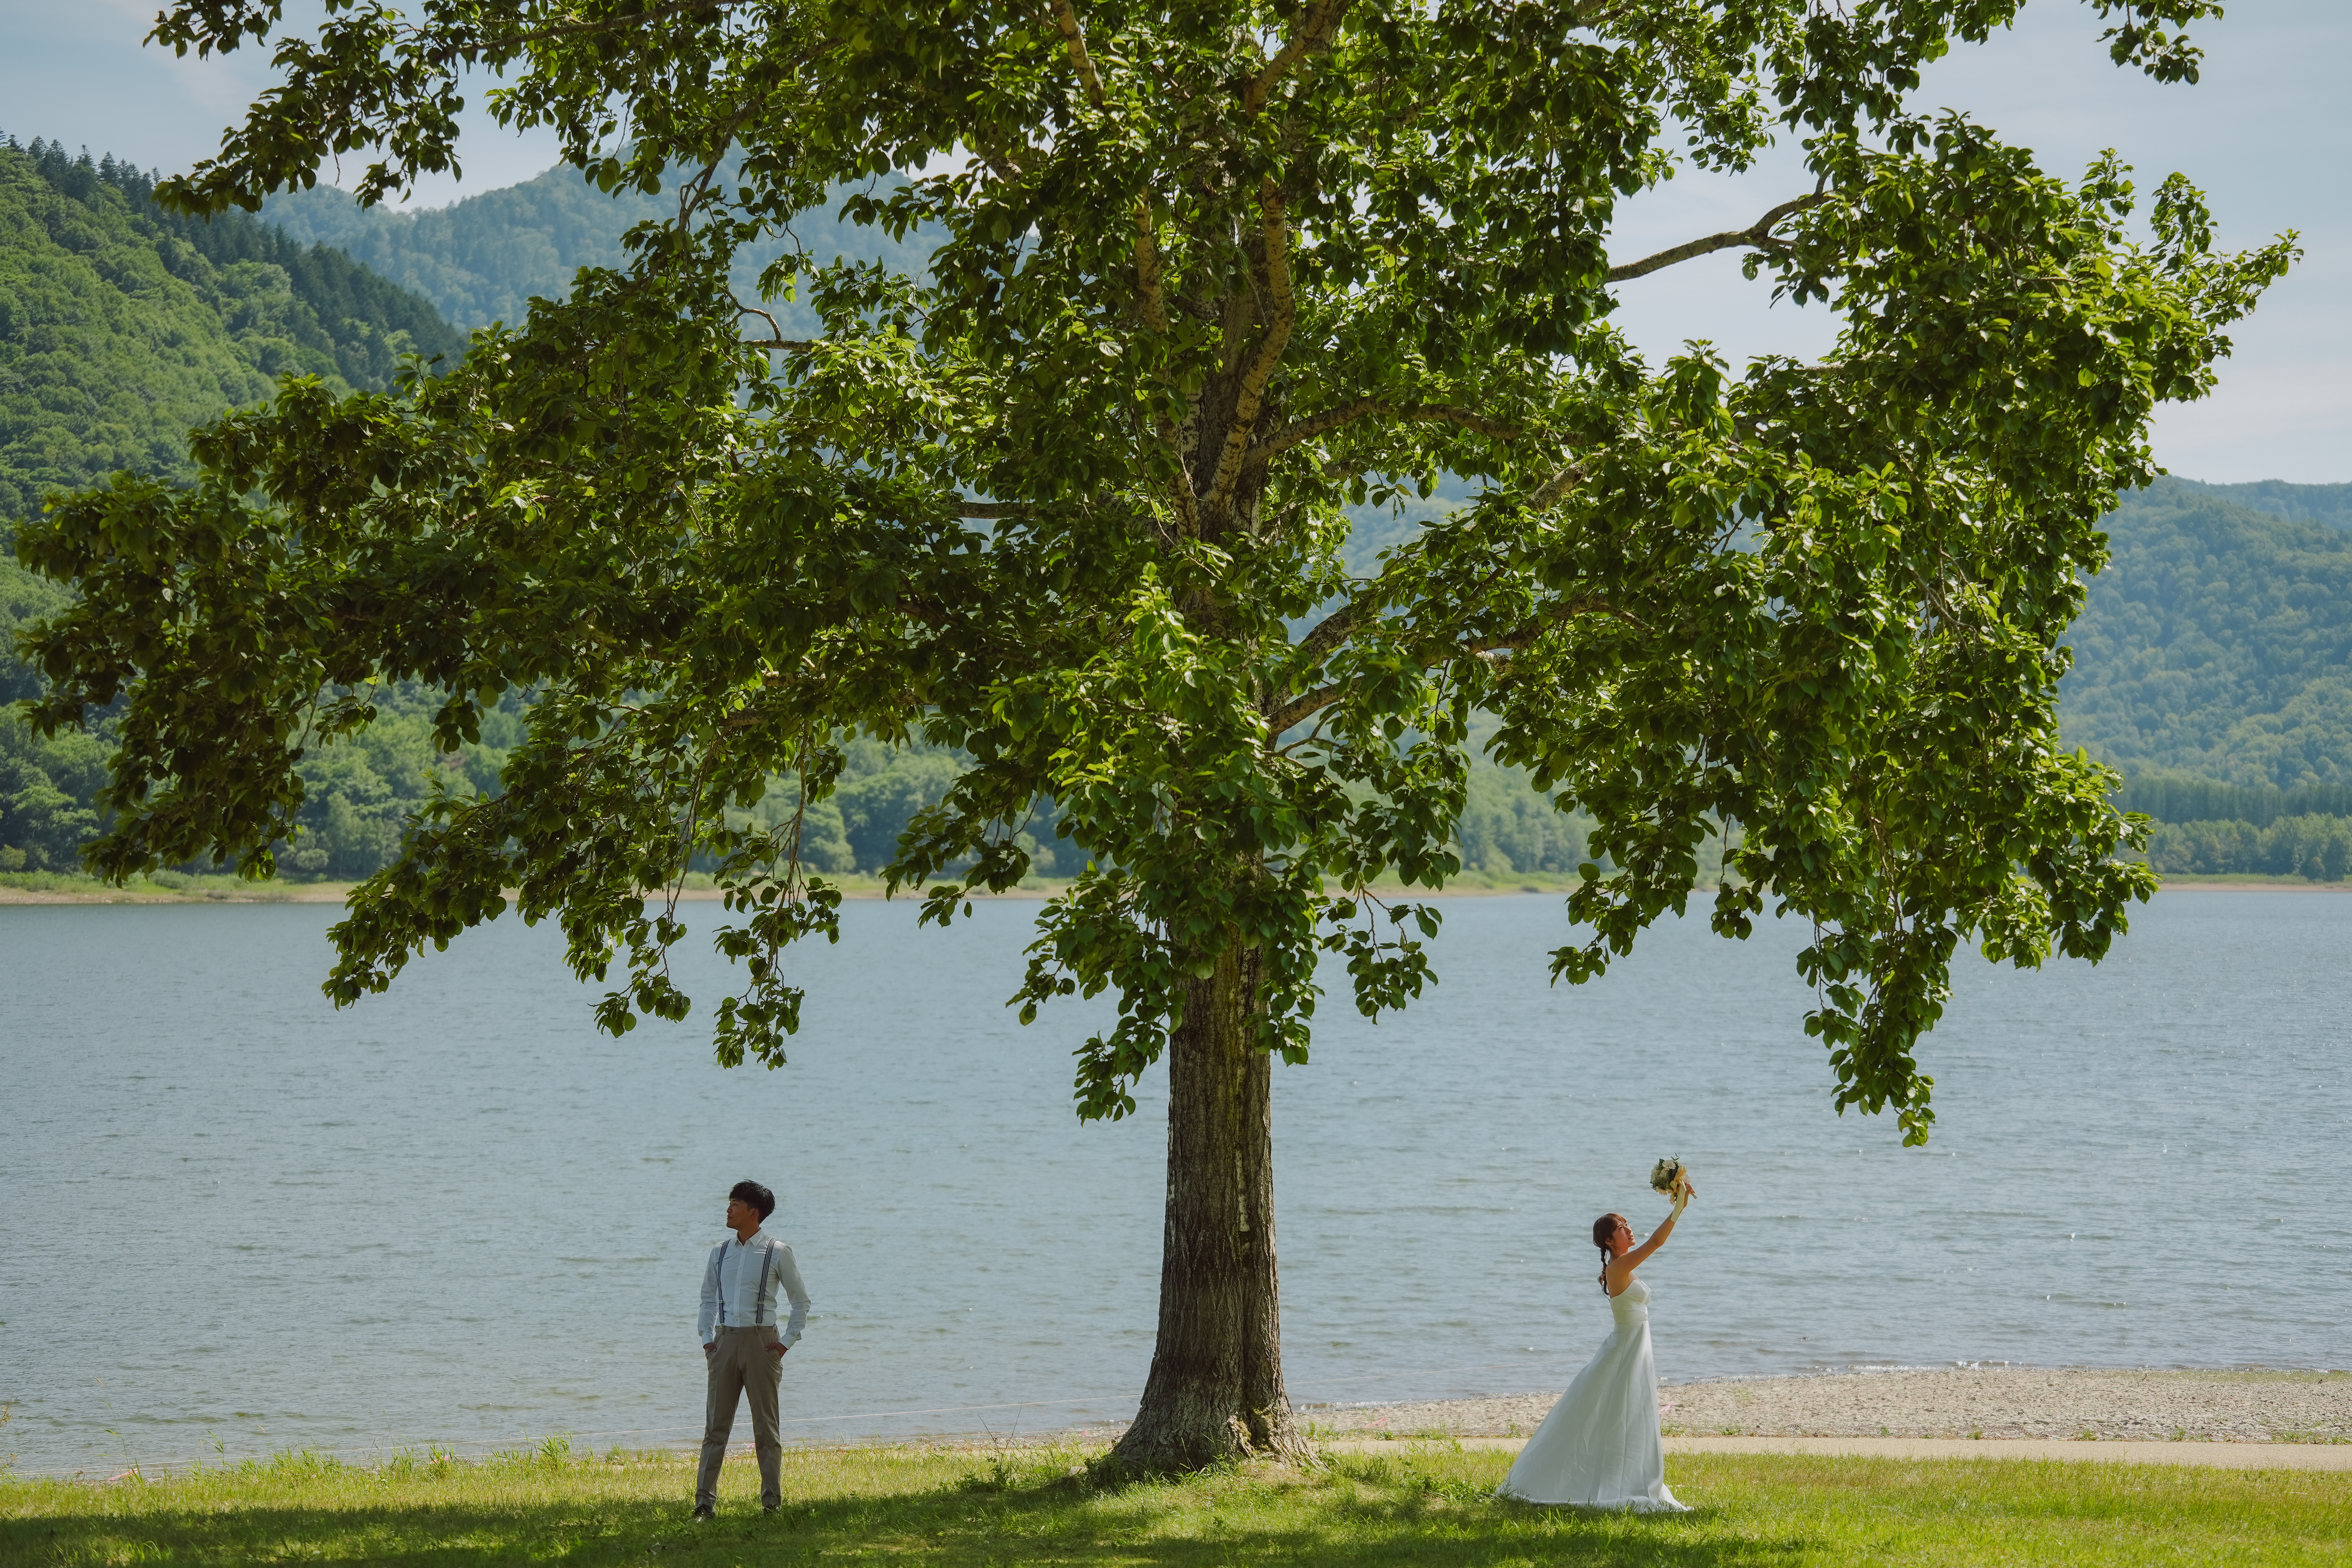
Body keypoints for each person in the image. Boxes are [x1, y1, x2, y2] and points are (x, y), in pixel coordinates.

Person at [1497, 1174, 1696, 1511]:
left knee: (1628, 1415)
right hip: (1625, 1352)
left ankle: (1630, 1476)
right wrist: (1679, 1207)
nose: (1630, 1231)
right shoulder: (1619, 1269)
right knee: (1615, 1414)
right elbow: (1657, 1243)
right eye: (1623, 1228)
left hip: (1634, 1349)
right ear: (1609, 1240)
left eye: (1628, 1225)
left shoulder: (1621, 1268)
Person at [693, 1179, 811, 1519]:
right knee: (715, 1428)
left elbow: (801, 1301)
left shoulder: (778, 1251)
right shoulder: (720, 1252)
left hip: (763, 1343)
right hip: (725, 1341)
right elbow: (707, 1299)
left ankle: (771, 1503)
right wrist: (707, 1339)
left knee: (766, 1427)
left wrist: (785, 1343)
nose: (728, 1210)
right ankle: (704, 1503)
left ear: (753, 1212)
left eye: (734, 1204)